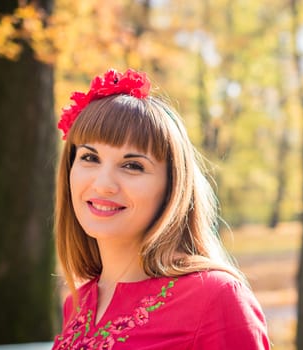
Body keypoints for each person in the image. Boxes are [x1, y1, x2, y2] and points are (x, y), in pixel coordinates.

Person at [52, 68, 270, 350]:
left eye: (133, 165)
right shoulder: (77, 303)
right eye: (90, 157)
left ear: (171, 187)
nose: (103, 184)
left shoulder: (216, 297)